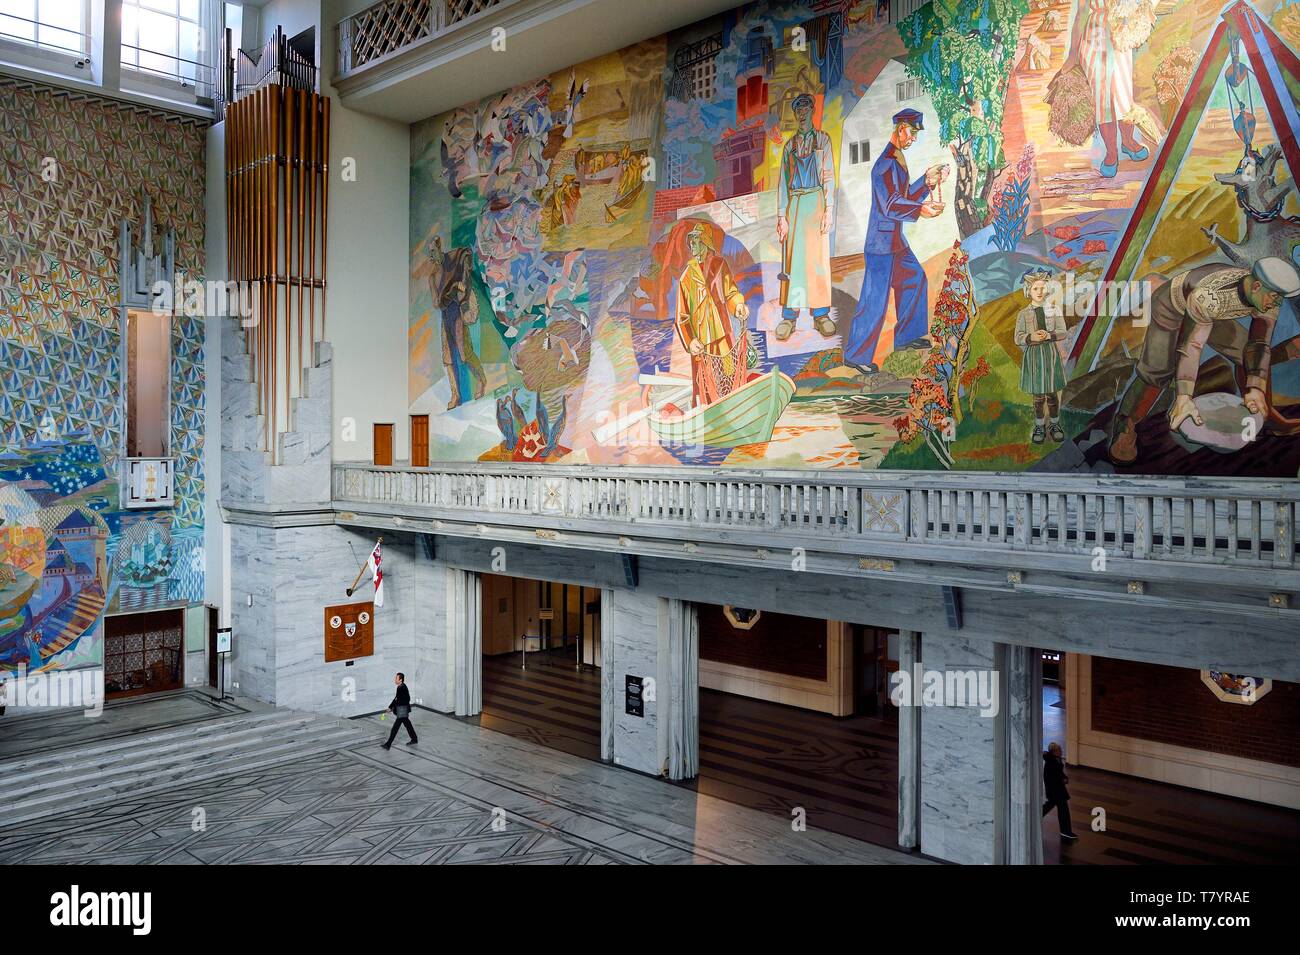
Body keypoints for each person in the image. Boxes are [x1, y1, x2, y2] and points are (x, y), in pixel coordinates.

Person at [1108, 256, 1300, 464]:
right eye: (1274, 297)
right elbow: (1191, 346)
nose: (1277, 303)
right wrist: (1184, 397)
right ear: (1256, 286)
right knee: (1156, 371)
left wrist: (1256, 388)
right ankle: (1127, 424)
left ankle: (1266, 416)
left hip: (1209, 314)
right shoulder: (1208, 297)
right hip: (1171, 308)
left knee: (1246, 354)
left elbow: (1258, 345)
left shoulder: (1269, 296)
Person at [844, 108, 948, 374]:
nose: (913, 139)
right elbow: (891, 205)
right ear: (900, 129)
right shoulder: (885, 164)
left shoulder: (897, 159)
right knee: (874, 301)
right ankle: (856, 356)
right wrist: (922, 210)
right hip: (881, 245)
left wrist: (926, 182)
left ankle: (907, 337)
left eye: (915, 134)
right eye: (911, 133)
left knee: (914, 279)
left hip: (894, 242)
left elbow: (903, 196)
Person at [1059, 0, 1156, 178]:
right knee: (1102, 98)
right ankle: (1111, 152)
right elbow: (1081, 14)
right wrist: (1073, 53)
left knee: (1123, 94)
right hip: (1094, 41)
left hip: (1119, 34)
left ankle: (1127, 141)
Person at [775, 92, 836, 341]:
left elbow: (829, 176)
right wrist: (781, 216)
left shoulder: (823, 140)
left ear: (812, 111)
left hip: (817, 204)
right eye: (797, 110)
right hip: (795, 205)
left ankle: (821, 315)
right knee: (792, 264)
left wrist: (829, 210)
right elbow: (782, 184)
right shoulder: (789, 147)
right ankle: (789, 318)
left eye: (805, 109)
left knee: (817, 263)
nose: (801, 114)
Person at [675, 222, 754, 406]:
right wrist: (690, 340)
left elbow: (731, 292)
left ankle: (735, 409)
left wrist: (739, 306)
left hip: (722, 334)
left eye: (696, 240)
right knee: (703, 383)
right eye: (691, 241)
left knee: (730, 374)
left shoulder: (719, 265)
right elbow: (682, 316)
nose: (692, 245)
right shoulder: (686, 276)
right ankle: (709, 418)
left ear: (705, 242)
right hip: (701, 343)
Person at [1014, 269, 1068, 444]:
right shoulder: (1023, 314)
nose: (1039, 292)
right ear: (1028, 290)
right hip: (1034, 357)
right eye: (1035, 288)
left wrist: (1049, 336)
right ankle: (1039, 426)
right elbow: (1018, 337)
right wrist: (1030, 338)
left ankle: (1054, 424)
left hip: (1050, 355)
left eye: (1042, 288)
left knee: (1052, 393)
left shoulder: (1054, 309)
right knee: (1038, 396)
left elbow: (1062, 332)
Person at [1042, 741, 1078, 840]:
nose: (1061, 751)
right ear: (1054, 752)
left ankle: (1034, 818)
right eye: (1059, 750)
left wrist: (1064, 777)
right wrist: (1063, 779)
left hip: (1056, 791)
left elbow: (1059, 773)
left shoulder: (1055, 760)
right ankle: (1065, 831)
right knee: (1063, 811)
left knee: (1050, 807)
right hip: (1056, 791)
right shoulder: (1051, 763)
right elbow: (1053, 777)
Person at [381, 672, 418, 749]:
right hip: (402, 710)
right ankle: (414, 739)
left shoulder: (403, 688)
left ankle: (388, 744)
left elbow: (407, 699)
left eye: (396, 678)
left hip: (402, 711)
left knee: (395, 728)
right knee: (408, 725)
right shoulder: (399, 687)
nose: (395, 680)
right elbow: (396, 698)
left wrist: (393, 707)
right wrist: (390, 707)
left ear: (400, 680)